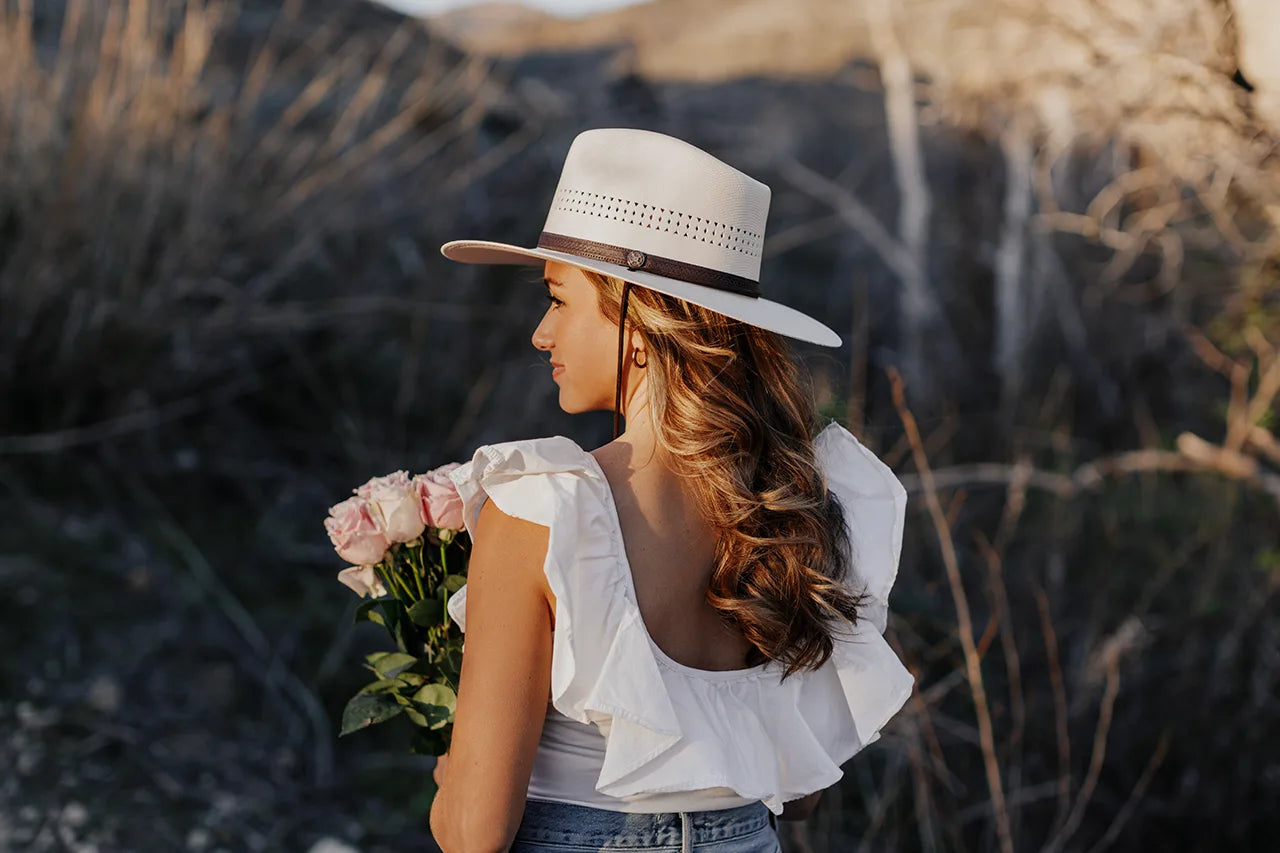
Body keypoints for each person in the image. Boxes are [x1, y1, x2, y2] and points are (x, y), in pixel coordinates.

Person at [427, 128, 914, 853]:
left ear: (633, 320)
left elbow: (476, 833)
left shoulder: (541, 510)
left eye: (559, 299)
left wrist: (451, 776)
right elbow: (801, 787)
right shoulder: (800, 499)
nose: (540, 332)